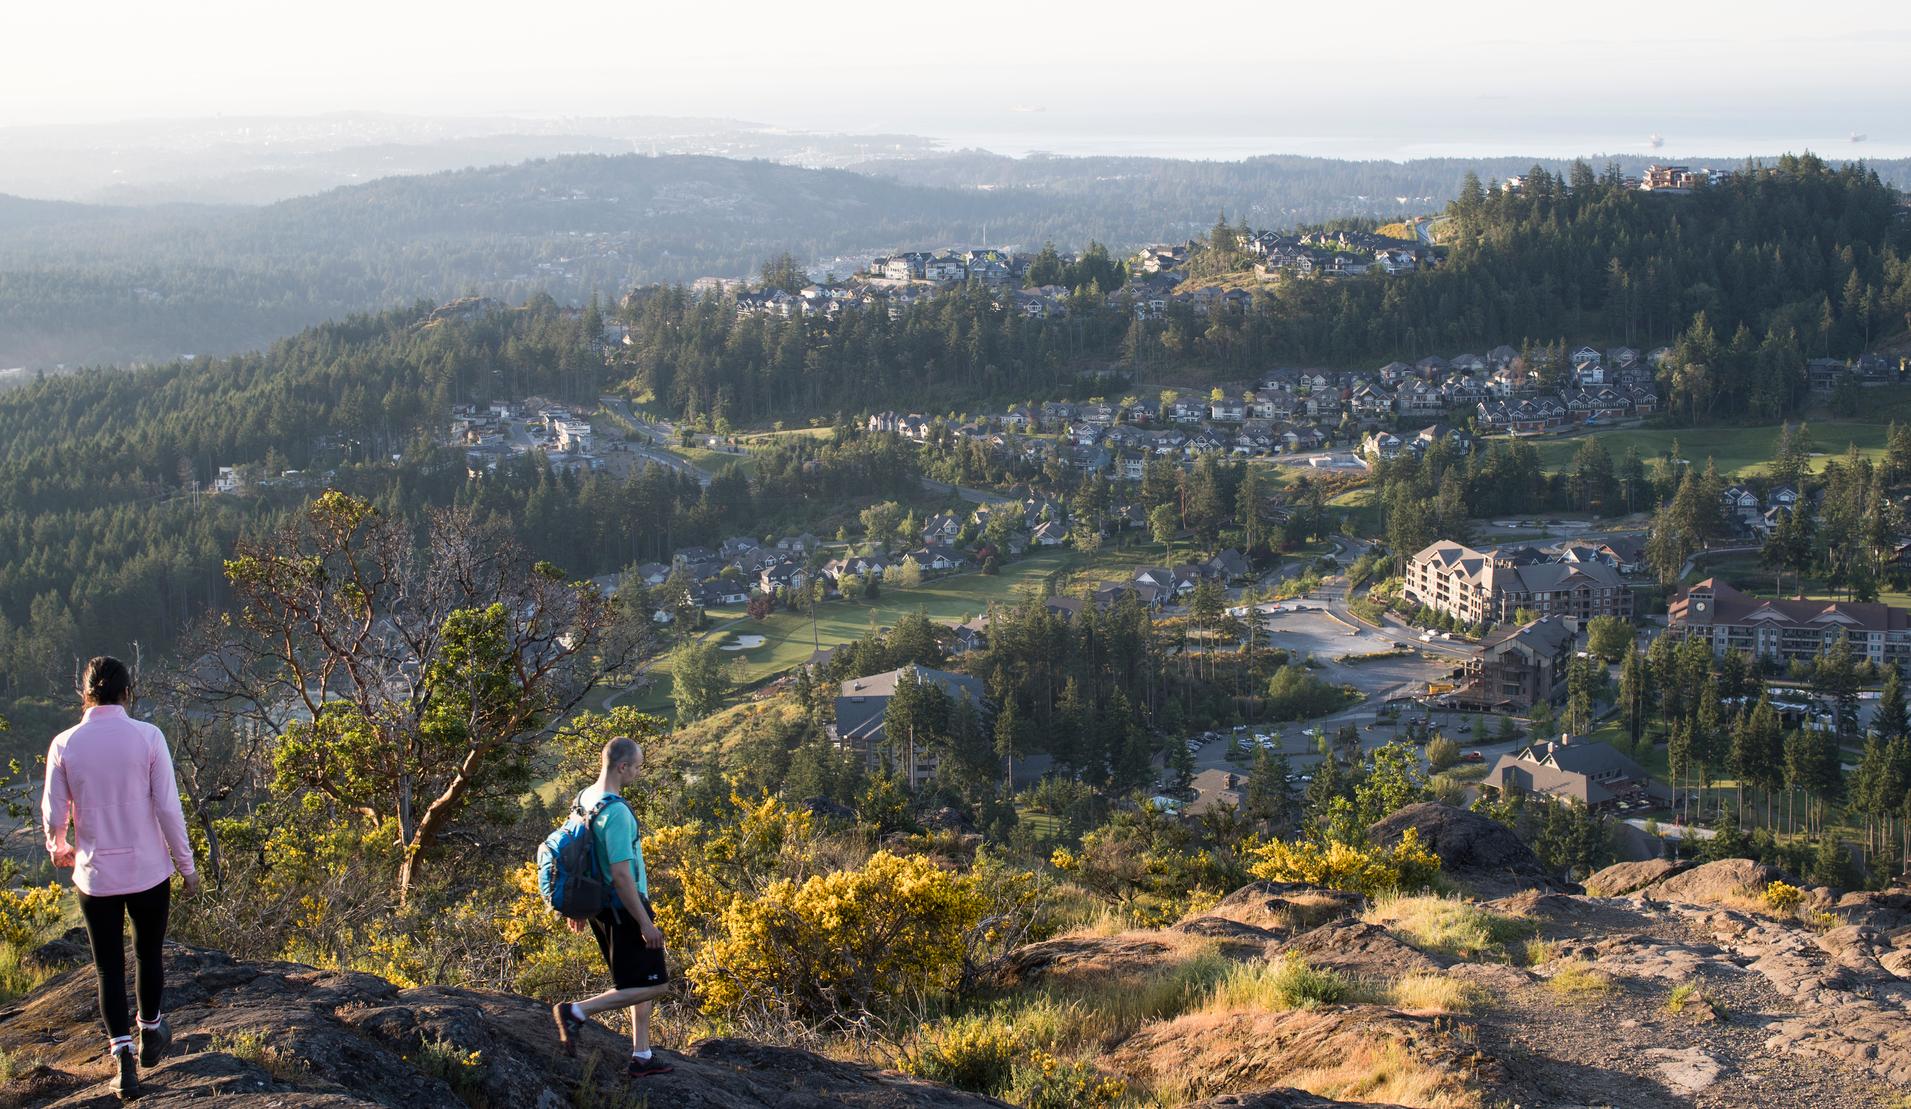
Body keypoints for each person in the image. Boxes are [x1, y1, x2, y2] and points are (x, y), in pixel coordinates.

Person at [41, 656, 200, 1100]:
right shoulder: (148, 737)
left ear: (85, 693)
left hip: (95, 876)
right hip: (148, 871)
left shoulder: (65, 743)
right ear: (127, 692)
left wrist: (59, 846)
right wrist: (186, 867)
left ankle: (124, 1062)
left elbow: (55, 811)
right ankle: (151, 1030)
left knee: (108, 968)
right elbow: (169, 809)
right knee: (149, 955)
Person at [550, 736, 672, 1078]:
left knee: (637, 979)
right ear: (622, 766)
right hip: (625, 907)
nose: (638, 772)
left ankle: (642, 1055)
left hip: (602, 907)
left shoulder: (584, 798)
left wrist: (577, 908)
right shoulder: (617, 812)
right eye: (637, 766)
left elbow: (578, 851)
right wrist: (644, 922)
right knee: (656, 983)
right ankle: (575, 1012)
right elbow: (621, 874)